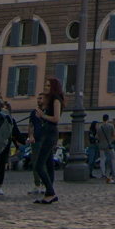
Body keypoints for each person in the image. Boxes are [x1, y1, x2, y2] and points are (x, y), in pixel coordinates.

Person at [27, 75, 64, 205]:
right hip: (46, 132)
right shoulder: (51, 101)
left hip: (50, 133)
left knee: (38, 164)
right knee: (49, 164)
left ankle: (51, 192)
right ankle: (49, 193)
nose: (46, 87)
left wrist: (43, 115)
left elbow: (56, 118)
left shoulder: (56, 101)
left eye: (48, 85)